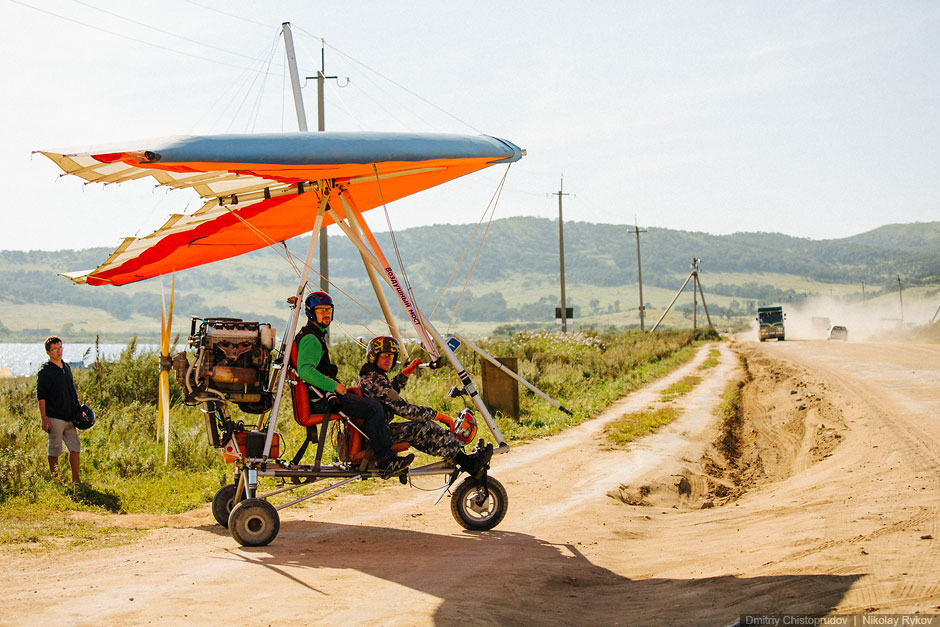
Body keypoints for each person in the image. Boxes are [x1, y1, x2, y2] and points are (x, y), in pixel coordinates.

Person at [295, 292, 413, 478]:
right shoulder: (311, 338)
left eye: (329, 310)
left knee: (367, 404)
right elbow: (305, 371)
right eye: (321, 310)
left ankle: (372, 451)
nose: (326, 314)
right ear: (311, 313)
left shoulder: (315, 334)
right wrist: (334, 386)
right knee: (373, 407)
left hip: (322, 395)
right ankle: (385, 459)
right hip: (322, 399)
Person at [357, 336, 493, 479]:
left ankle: (457, 456)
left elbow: (388, 393)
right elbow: (405, 410)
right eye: (384, 355)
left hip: (374, 433)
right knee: (424, 428)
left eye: (391, 356)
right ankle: (469, 464)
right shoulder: (374, 379)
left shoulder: (371, 377)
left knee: (422, 430)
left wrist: (405, 374)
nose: (389, 359)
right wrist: (438, 415)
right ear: (373, 356)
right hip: (375, 437)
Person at [36, 336, 82, 483]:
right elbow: (41, 397)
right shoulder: (45, 372)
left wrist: (78, 408)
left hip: (70, 416)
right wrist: (44, 419)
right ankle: (55, 480)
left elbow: (72, 390)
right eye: (55, 349)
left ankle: (76, 480)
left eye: (60, 347)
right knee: (55, 449)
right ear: (48, 352)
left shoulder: (66, 367)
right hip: (55, 416)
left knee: (75, 447)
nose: (58, 351)